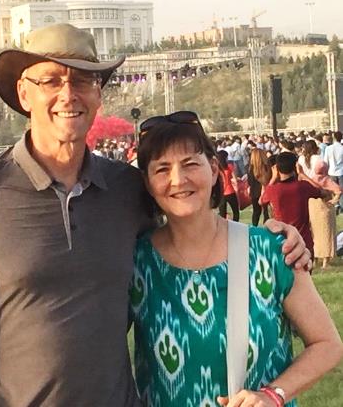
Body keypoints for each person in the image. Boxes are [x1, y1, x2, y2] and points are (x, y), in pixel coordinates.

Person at [0, 24, 309, 407]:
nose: (68, 94)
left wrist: (275, 236)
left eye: (82, 80)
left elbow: (191, 220)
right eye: (51, 80)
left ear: (99, 94)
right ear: (24, 94)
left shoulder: (126, 188)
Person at [131, 113, 343, 407]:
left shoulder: (270, 251)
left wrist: (273, 394)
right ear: (147, 182)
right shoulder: (136, 263)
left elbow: (327, 344)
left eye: (190, 164)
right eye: (162, 169)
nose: (178, 180)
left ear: (214, 169)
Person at [261, 152, 330, 262]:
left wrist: (273, 178)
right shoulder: (303, 187)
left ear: (277, 168)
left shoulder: (273, 190)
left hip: (282, 242)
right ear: (295, 167)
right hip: (303, 241)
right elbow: (324, 192)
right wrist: (303, 174)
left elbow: (261, 200)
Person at [299, 140, 340, 269]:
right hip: (321, 196)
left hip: (308, 197)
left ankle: (314, 257)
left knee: (312, 229)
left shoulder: (301, 160)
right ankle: (325, 260)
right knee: (325, 230)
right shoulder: (318, 160)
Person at [247, 148, 271, 226]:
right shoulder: (266, 167)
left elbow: (249, 182)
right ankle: (268, 228)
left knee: (256, 212)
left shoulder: (250, 168)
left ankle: (254, 227)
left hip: (254, 192)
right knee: (266, 212)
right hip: (265, 191)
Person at [217, 150, 239, 222]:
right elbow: (234, 179)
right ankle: (235, 225)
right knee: (235, 211)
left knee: (222, 214)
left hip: (221, 193)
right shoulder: (229, 167)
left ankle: (222, 227)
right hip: (230, 191)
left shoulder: (217, 169)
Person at [324, 130, 343, 211]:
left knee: (333, 190)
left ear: (334, 138)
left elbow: (325, 161)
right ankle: (341, 205)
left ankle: (336, 205)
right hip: (341, 171)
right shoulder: (342, 148)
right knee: (341, 190)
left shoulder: (328, 148)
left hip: (331, 171)